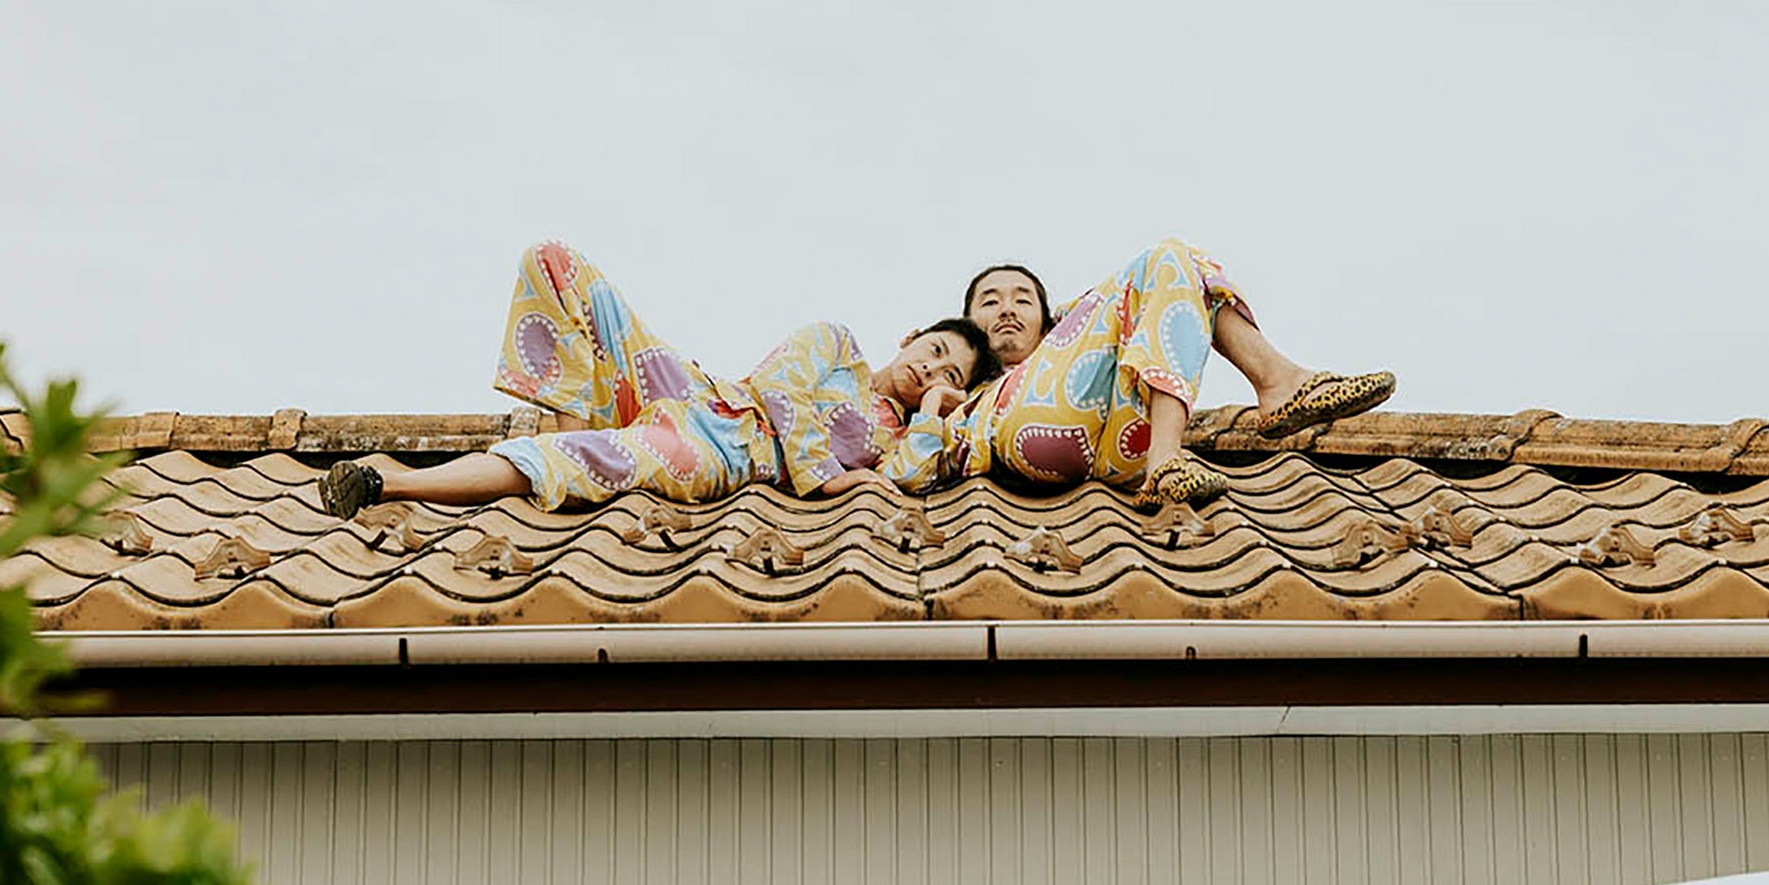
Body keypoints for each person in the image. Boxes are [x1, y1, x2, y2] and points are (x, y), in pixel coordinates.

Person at [317, 241, 999, 518]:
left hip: (725, 456)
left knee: (577, 460)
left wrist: (936, 414)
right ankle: (578, 430)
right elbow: (780, 388)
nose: (930, 370)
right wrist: (828, 474)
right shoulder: (838, 344)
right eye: (935, 350)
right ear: (912, 335)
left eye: (948, 376)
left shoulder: (904, 434)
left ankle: (387, 481)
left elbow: (908, 480)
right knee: (555, 265)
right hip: (696, 394)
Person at [949, 240, 1394, 510]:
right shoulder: (948, 373)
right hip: (1025, 426)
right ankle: (1277, 383)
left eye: (1022, 299)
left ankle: (1166, 459)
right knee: (1165, 257)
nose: (1007, 308)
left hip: (1118, 446)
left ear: (1047, 320)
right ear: (966, 323)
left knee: (1180, 266)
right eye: (990, 301)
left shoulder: (1072, 338)